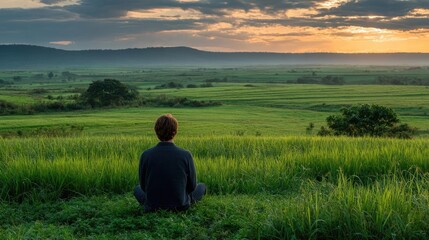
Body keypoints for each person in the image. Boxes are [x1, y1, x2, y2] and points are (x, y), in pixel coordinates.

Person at [134, 113, 206, 212]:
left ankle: (154, 202)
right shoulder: (185, 155)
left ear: (156, 131)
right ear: (175, 131)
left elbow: (143, 186)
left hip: (153, 206)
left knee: (137, 189)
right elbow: (192, 186)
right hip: (180, 205)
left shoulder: (146, 154)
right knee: (202, 186)